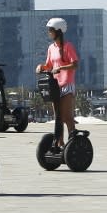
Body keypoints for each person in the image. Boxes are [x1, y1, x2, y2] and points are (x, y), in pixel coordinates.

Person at [35, 17, 79, 148]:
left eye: (51, 30)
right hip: (55, 85)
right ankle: (60, 143)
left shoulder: (68, 46)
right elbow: (49, 65)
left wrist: (61, 68)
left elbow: (75, 65)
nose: (49, 32)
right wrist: (41, 67)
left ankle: (73, 142)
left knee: (66, 116)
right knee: (58, 116)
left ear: (58, 31)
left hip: (67, 84)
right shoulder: (51, 48)